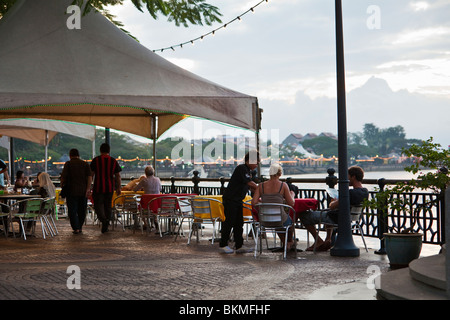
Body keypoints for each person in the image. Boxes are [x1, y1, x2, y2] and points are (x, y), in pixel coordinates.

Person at [299, 165, 369, 252]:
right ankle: (328, 240)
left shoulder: (349, 193)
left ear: (353, 176)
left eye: (347, 176)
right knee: (330, 214)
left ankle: (318, 241)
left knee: (303, 215)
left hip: (338, 218)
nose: (346, 179)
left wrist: (333, 200)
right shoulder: (365, 192)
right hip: (352, 219)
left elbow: (332, 206)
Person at [219, 151, 259, 254]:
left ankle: (239, 245)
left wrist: (260, 196)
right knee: (229, 222)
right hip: (231, 199)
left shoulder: (249, 171)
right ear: (249, 161)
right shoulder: (242, 168)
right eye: (255, 162)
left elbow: (251, 187)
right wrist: (261, 189)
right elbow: (250, 183)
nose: (257, 164)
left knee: (239, 223)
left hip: (238, 200)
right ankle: (223, 245)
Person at [252, 163, 296, 251]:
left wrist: (264, 202)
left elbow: (253, 202)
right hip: (280, 219)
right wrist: (292, 194)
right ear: (280, 174)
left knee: (275, 218)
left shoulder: (261, 186)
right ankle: (289, 242)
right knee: (289, 221)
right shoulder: (283, 185)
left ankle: (286, 243)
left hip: (264, 220)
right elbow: (291, 203)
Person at [90, 143, 122, 233]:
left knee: (97, 205)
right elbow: (118, 176)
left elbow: (91, 175)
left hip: (98, 187)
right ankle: (106, 223)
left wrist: (89, 187)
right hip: (110, 187)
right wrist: (119, 187)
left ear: (100, 150)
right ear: (109, 151)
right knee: (108, 206)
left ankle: (104, 220)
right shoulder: (113, 161)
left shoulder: (96, 160)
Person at [61, 149, 93, 234]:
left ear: (70, 155)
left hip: (71, 191)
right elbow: (90, 177)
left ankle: (76, 228)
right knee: (82, 210)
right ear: (78, 155)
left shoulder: (68, 164)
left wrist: (62, 185)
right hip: (83, 190)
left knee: (72, 210)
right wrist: (88, 188)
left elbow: (63, 177)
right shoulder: (85, 164)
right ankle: (80, 226)